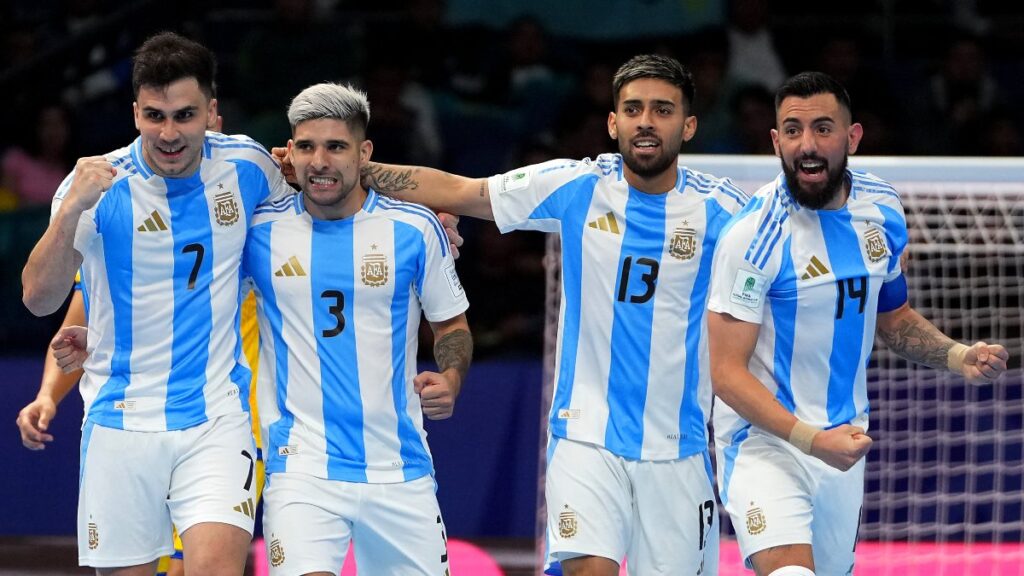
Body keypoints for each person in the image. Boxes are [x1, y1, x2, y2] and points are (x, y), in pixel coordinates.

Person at [280, 54, 749, 576]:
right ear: (612, 122)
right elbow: (467, 191)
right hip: (584, 435)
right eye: (633, 108)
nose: (645, 121)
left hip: (678, 448)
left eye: (662, 110)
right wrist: (335, 168)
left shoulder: (726, 212)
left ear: (688, 125)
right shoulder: (577, 186)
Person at [706, 71, 1009, 576]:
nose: (808, 145)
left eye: (823, 128)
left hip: (844, 440)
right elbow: (726, 373)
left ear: (853, 137)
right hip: (763, 442)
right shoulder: (753, 237)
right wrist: (809, 439)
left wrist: (958, 355)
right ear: (776, 141)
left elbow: (892, 318)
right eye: (794, 130)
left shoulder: (882, 208)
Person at [20, 32, 295, 575]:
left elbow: (319, 214)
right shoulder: (96, 186)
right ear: (136, 113)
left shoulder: (249, 168)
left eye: (185, 115)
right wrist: (72, 209)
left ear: (212, 113)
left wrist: (428, 221)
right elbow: (38, 299)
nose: (169, 133)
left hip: (217, 419)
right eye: (155, 115)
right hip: (120, 426)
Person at [245, 82, 472, 575]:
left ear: (364, 152)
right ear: (290, 152)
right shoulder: (257, 229)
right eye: (305, 146)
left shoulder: (414, 229)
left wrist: (450, 379)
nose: (319, 160)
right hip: (299, 466)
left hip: (399, 467)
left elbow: (451, 322)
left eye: (336, 146)